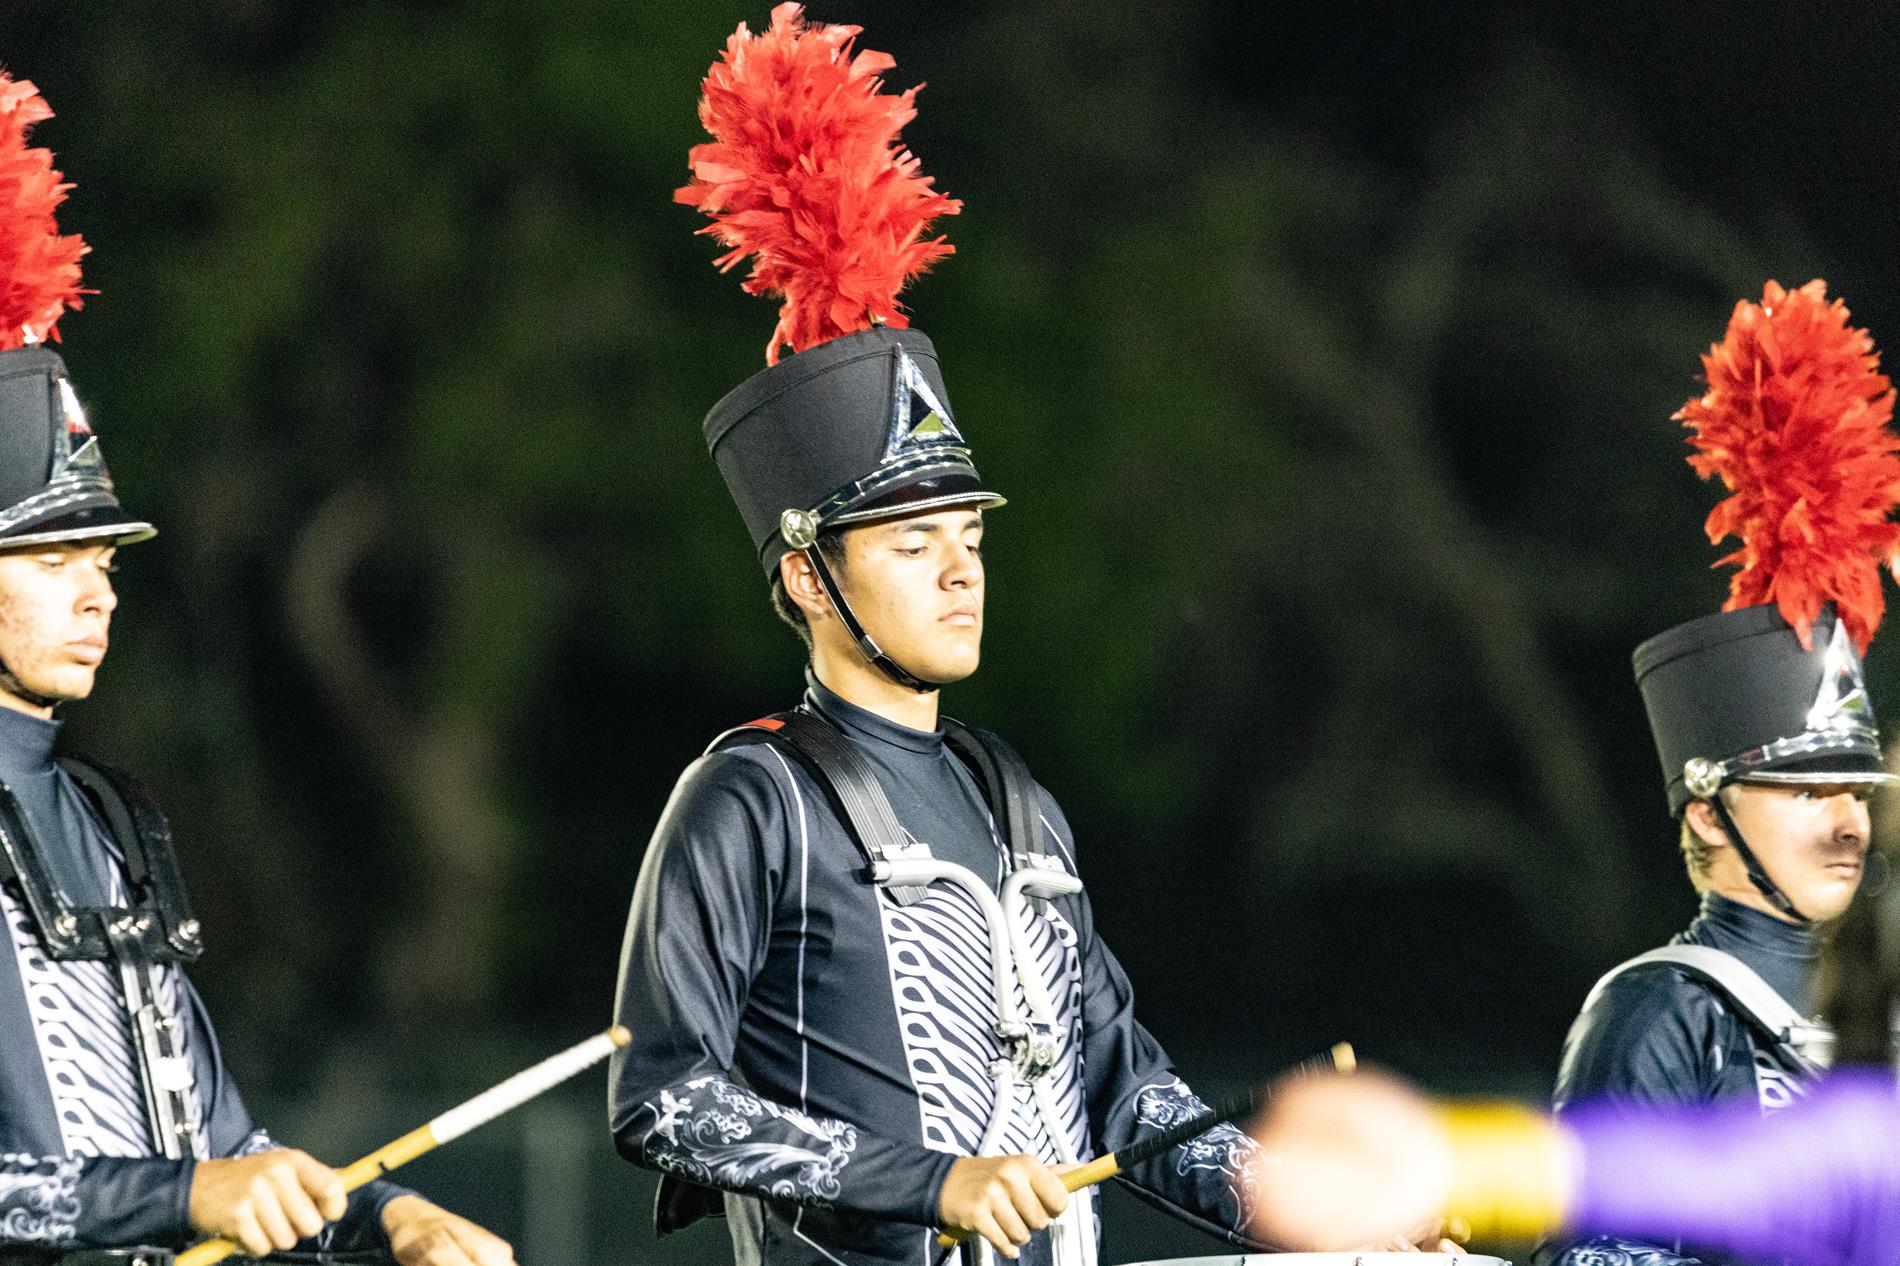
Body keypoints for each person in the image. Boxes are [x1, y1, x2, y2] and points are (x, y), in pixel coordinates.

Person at [608, 8, 1279, 1265]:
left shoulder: (1013, 797)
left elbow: (1129, 1098)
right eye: (912, 544)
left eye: (968, 533)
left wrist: (1310, 1209)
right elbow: (664, 1097)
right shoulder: (752, 798)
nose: (961, 567)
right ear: (808, 577)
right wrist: (930, 1180)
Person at [0, 74, 512, 1266]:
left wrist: (389, 1221)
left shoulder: (106, 820)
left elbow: (220, 1146)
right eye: (50, 556)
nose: (99, 588)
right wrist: (181, 1200)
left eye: (104, 557)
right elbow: (186, 1188)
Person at [1537, 278, 1900, 1266]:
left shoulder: (1887, 1012)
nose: (1847, 823)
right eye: (1803, 790)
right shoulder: (1656, 1014)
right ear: (1706, 816)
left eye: (1856, 792)